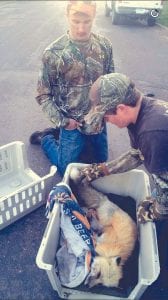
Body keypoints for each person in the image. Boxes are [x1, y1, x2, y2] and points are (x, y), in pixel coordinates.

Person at [75, 72, 168, 288]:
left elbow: (165, 188)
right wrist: (103, 170)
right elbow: (136, 155)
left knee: (156, 224)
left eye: (107, 117)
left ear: (122, 108)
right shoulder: (143, 111)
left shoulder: (152, 134)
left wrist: (155, 211)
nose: (107, 122)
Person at [30, 0, 115, 176]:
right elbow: (43, 95)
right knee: (66, 170)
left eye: (87, 22)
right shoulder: (53, 53)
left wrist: (107, 111)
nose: (82, 29)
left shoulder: (105, 46)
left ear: (94, 17)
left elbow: (110, 83)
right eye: (76, 21)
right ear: (67, 16)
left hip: (96, 122)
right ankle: (47, 138)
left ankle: (78, 141)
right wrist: (64, 122)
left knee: (101, 163)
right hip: (71, 123)